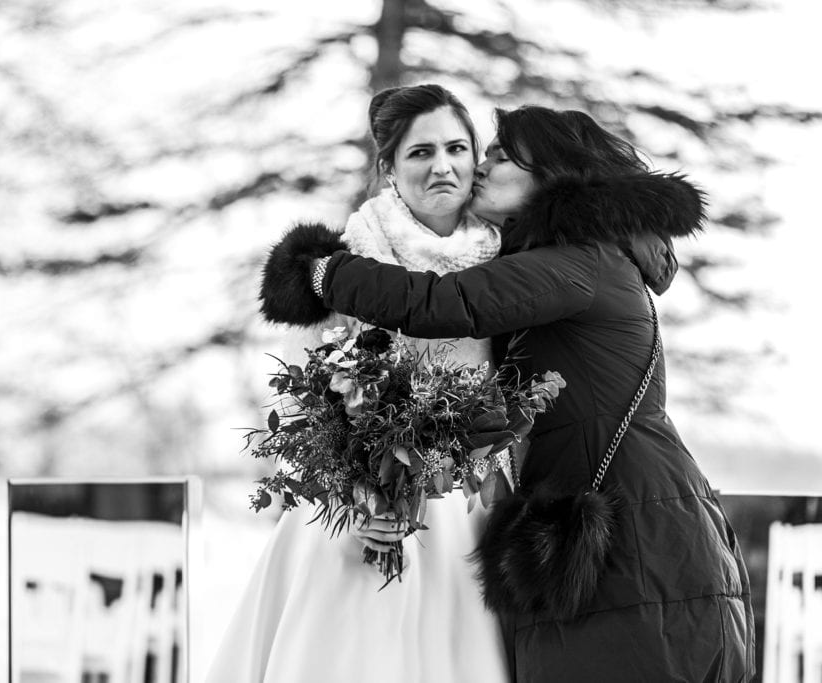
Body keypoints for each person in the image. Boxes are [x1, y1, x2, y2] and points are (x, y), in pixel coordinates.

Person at [261, 105, 755, 682]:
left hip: (628, 531)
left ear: (550, 173)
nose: (481, 168)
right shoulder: (559, 259)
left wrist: (320, 272)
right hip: (608, 519)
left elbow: (444, 304)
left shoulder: (578, 260)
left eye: (500, 156)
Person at [205, 85, 510, 682]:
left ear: (477, 159)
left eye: (455, 147)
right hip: (356, 515)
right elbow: (302, 402)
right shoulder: (345, 262)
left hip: (464, 513)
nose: (441, 166)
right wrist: (359, 496)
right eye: (419, 152)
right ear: (388, 169)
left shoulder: (509, 261)